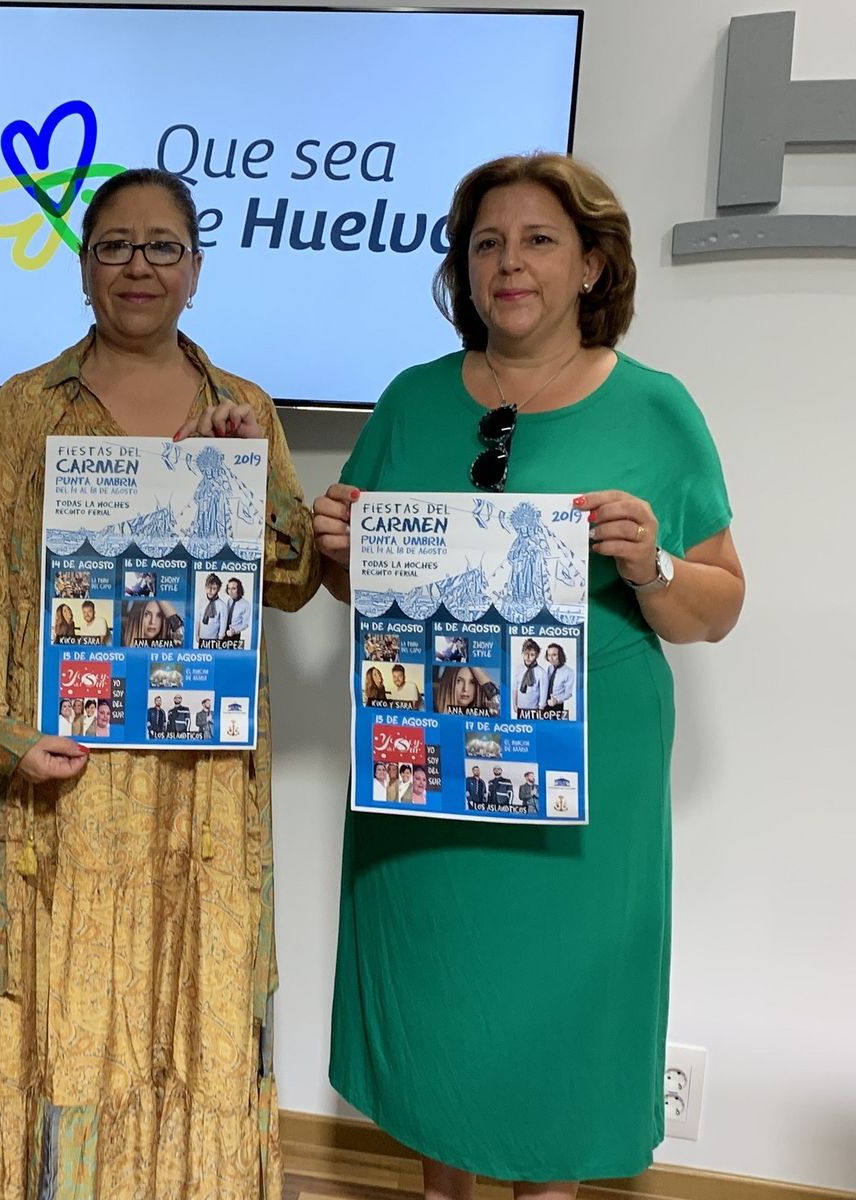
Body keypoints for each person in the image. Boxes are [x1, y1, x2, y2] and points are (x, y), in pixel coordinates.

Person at [311, 152, 744, 1198]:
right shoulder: (411, 400)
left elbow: (719, 604)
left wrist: (653, 563)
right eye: (486, 243)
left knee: (561, 1018)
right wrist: (336, 548)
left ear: (593, 266)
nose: (508, 263)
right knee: (439, 1001)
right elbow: (354, 593)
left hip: (583, 791)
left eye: (538, 240)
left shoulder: (655, 408)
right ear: (461, 268)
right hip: (425, 777)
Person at [0, 167, 322, 1196]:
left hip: (202, 791)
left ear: (195, 270)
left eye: (162, 247)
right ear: (83, 268)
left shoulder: (241, 408)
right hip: (64, 789)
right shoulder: (27, 411)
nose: (138, 268)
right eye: (114, 246)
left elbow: (292, 581)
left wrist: (247, 484)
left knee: (194, 1021)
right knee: (64, 1029)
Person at [433, 665, 499, 716]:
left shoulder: (485, 714)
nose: (465, 689)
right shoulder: (432, 711)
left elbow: (501, 707)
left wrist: (473, 664)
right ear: (448, 683)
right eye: (458, 681)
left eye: (472, 682)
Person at [543, 642, 575, 713]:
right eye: (549, 655)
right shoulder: (550, 668)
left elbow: (568, 693)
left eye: (554, 655)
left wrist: (556, 700)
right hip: (545, 703)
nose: (551, 658)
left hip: (557, 705)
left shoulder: (569, 672)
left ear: (560, 655)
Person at [196, 572, 228, 643]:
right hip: (202, 638)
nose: (210, 591)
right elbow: (198, 620)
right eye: (208, 587)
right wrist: (197, 635)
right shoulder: (201, 602)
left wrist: (220, 638)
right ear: (205, 587)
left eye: (214, 588)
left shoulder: (222, 605)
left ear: (218, 589)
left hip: (214, 639)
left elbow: (223, 624)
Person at [515, 637, 544, 711]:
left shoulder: (541, 673)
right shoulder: (518, 669)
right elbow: (515, 688)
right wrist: (515, 705)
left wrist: (540, 709)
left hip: (534, 709)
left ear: (537, 655)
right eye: (526, 654)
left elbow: (543, 694)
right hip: (520, 708)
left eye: (532, 655)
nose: (528, 657)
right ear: (522, 653)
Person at [224, 575, 252, 644]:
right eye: (229, 588)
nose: (230, 591)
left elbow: (245, 624)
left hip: (234, 635)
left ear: (239, 589)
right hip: (224, 632)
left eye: (233, 588)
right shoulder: (229, 600)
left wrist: (234, 631)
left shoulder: (246, 604)